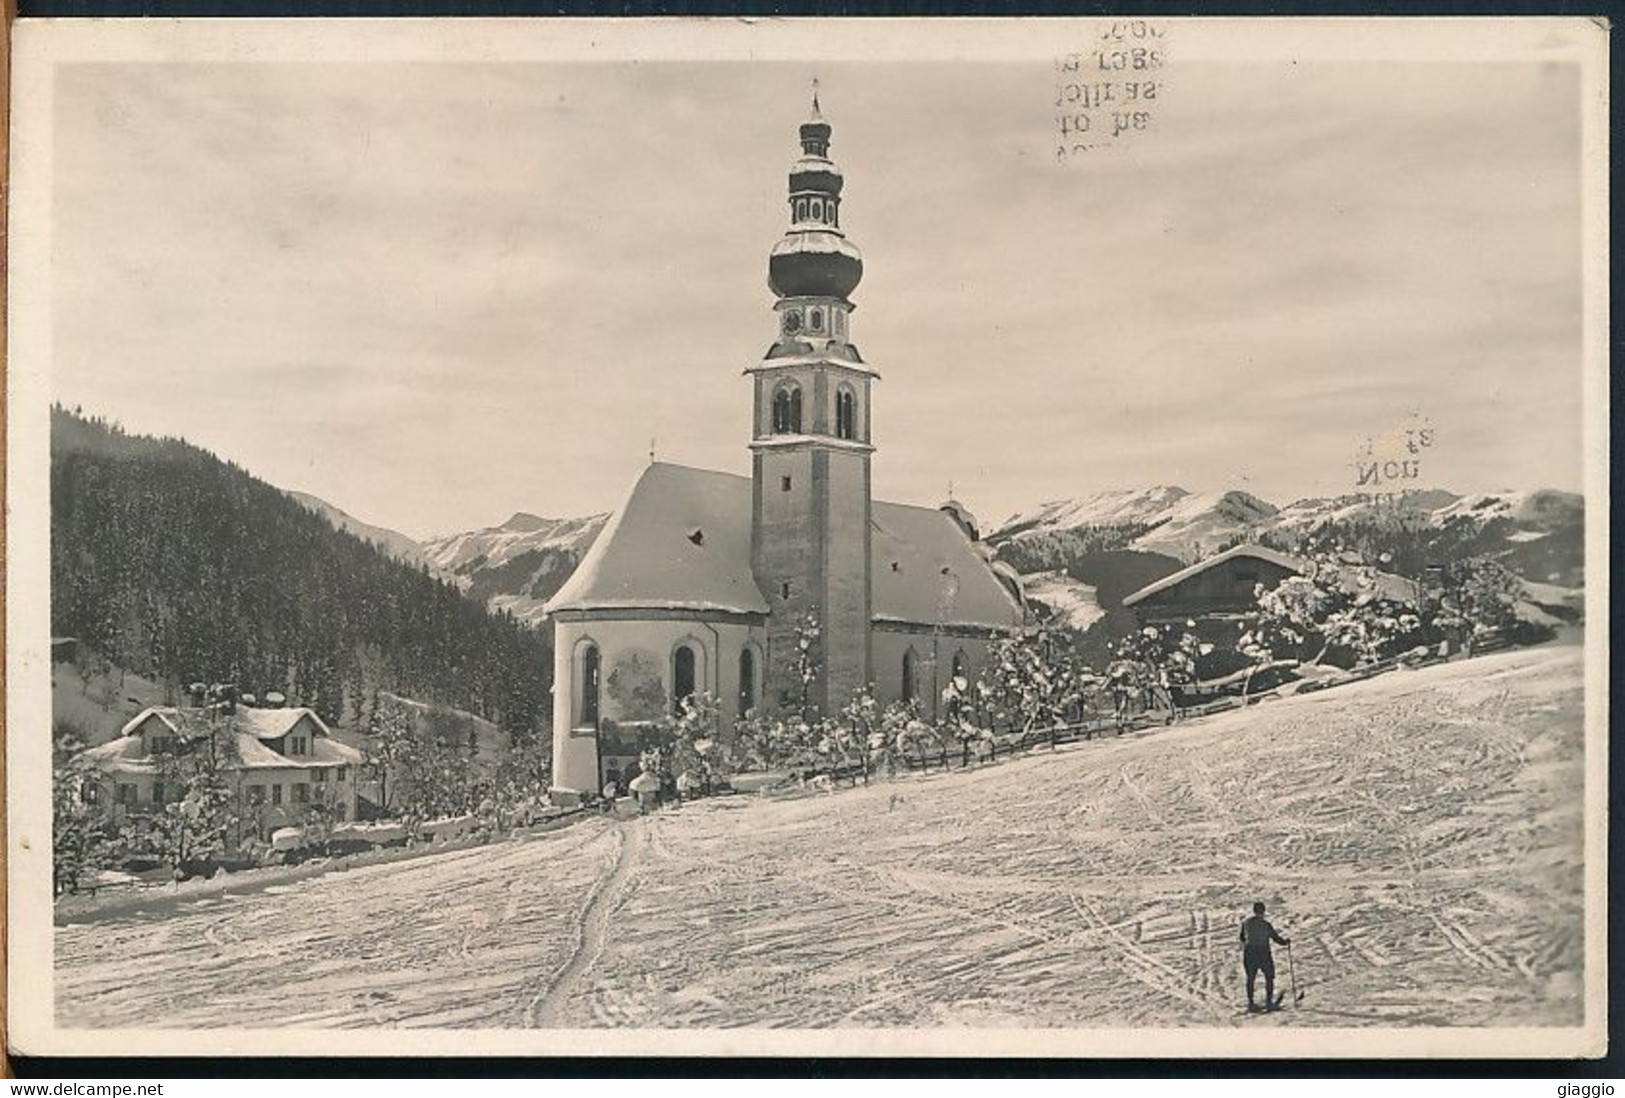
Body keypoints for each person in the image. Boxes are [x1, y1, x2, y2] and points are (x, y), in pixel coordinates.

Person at [1240, 901, 1291, 1012]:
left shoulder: (1246, 923)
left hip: (1249, 952)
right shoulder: (1266, 925)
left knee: (1251, 978)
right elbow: (1275, 938)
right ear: (1263, 911)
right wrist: (1286, 942)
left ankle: (1251, 1003)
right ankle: (1269, 1002)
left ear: (1254, 910)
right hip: (1263, 952)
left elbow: (1242, 938)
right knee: (1269, 976)